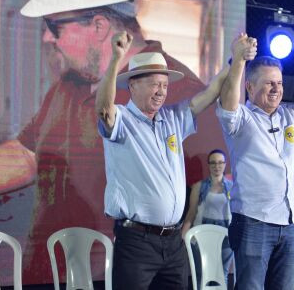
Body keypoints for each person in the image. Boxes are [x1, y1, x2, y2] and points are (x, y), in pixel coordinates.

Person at [0, 0, 229, 282]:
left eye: (54, 25)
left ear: (100, 26)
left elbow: (209, 193)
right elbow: (28, 154)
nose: (47, 38)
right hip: (51, 276)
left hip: (125, 265)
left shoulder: (183, 97)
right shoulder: (70, 84)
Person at [95, 31, 255, 288]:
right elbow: (104, 108)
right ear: (133, 85)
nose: (161, 91)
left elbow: (212, 91)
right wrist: (116, 59)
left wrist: (234, 59)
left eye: (165, 85)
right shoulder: (122, 120)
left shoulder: (172, 118)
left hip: (172, 242)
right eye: (154, 84)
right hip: (136, 242)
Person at [216, 31, 294, 289]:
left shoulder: (290, 116)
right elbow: (228, 103)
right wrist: (239, 59)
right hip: (253, 223)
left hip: (290, 223)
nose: (277, 89)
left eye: (280, 83)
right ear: (249, 87)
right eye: (269, 83)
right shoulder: (241, 120)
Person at [182, 149, 234, 285]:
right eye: (213, 163)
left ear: (225, 164)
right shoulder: (199, 186)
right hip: (202, 233)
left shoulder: (233, 187)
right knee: (202, 274)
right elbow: (192, 212)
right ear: (209, 165)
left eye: (220, 163)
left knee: (221, 275)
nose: (217, 166)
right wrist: (184, 235)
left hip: (226, 235)